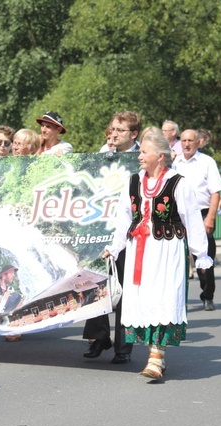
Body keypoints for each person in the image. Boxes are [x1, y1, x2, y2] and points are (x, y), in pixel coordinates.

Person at [102, 127, 212, 380]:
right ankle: (154, 355)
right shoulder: (132, 182)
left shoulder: (178, 183)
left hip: (167, 250)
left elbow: (192, 219)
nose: (139, 156)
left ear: (160, 155)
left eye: (144, 152)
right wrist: (115, 246)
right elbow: (124, 218)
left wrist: (201, 254)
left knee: (164, 297)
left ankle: (156, 356)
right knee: (144, 299)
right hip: (139, 250)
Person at [83, 112, 143, 364]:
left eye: (120, 130)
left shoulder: (141, 158)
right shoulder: (104, 153)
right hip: (100, 229)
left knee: (125, 290)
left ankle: (123, 347)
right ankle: (98, 338)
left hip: (129, 233)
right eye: (112, 129)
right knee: (96, 284)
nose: (114, 134)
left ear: (133, 134)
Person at [173, 129, 221, 311]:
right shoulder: (174, 162)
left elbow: (216, 192)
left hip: (201, 214)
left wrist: (210, 217)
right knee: (177, 260)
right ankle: (179, 300)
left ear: (198, 143)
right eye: (183, 140)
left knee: (204, 259)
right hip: (178, 215)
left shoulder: (207, 162)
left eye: (190, 141)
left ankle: (207, 296)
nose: (186, 144)